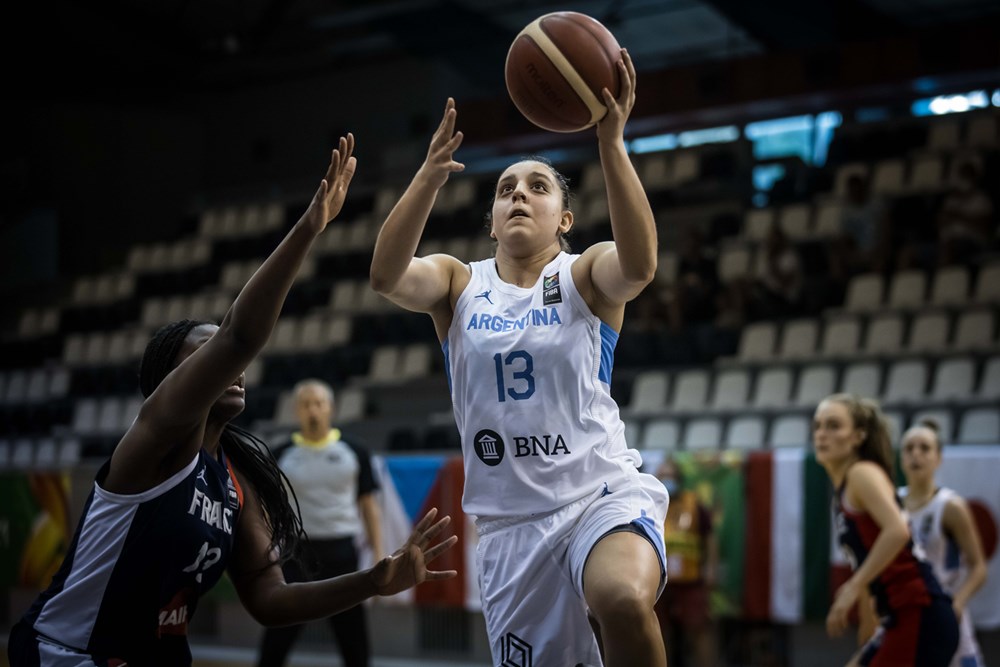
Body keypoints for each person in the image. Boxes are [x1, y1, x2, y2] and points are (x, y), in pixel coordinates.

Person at [7, 135, 458, 667]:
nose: (232, 366)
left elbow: (270, 600)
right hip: (70, 653)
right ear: (176, 379)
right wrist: (309, 226)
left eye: (220, 353)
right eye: (206, 354)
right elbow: (238, 338)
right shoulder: (155, 441)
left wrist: (374, 579)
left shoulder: (234, 483)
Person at [369, 48, 669, 667]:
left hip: (599, 493)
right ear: (492, 222)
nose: (519, 196)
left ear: (565, 218)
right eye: (506, 189)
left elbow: (639, 267)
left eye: (538, 187)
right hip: (510, 527)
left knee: (621, 599)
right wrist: (428, 174)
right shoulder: (458, 282)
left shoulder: (581, 274)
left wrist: (611, 144)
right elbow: (386, 277)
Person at [813, 393, 959, 667]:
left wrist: (851, 589)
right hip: (898, 615)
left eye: (833, 426)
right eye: (818, 426)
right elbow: (873, 560)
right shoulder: (844, 489)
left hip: (919, 611)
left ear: (858, 436)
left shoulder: (861, 474)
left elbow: (897, 531)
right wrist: (870, 620)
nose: (821, 434)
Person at [256, 379, 383, 667]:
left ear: (331, 408)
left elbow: (369, 507)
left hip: (342, 555)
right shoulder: (280, 453)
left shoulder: (355, 450)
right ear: (296, 411)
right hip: (296, 556)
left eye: (318, 403)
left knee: (354, 644)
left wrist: (378, 553)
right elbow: (265, 510)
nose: (312, 410)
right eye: (305, 404)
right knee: (275, 643)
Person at [899, 418, 988, 667]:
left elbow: (979, 567)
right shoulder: (891, 503)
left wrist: (956, 604)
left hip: (943, 609)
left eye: (924, 448)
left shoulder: (951, 506)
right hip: (905, 612)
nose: (916, 454)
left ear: (938, 458)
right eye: (909, 448)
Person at [654, 457, 717, 667]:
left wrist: (710, 568)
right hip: (658, 582)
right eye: (662, 476)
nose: (666, 480)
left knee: (698, 630)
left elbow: (710, 536)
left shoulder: (694, 503)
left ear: (679, 479)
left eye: (670, 476)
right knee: (660, 634)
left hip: (691, 579)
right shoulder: (651, 504)